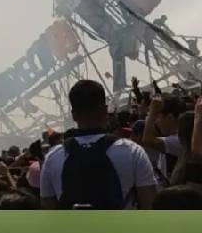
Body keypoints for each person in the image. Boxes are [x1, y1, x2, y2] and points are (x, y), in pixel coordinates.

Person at [40, 80, 157, 210]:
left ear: (73, 115)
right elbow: (149, 204)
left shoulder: (53, 158)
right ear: (105, 110)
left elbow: (49, 210)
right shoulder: (132, 152)